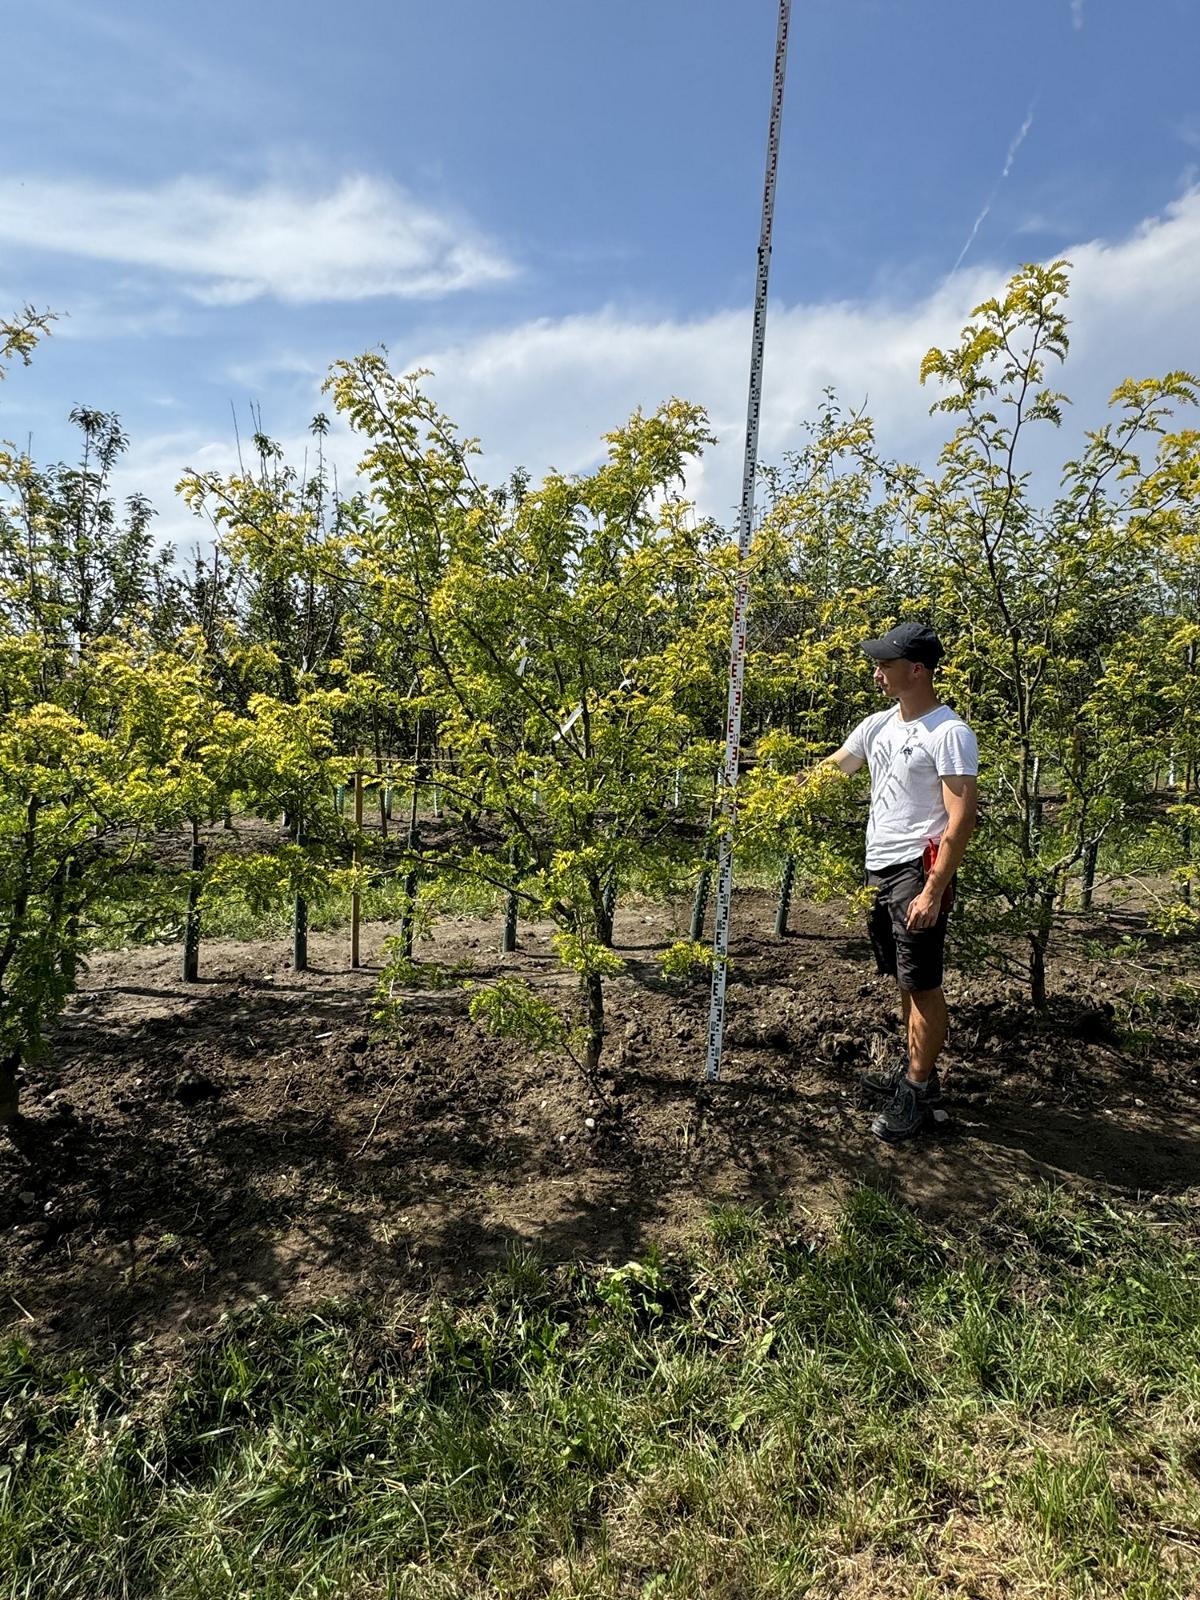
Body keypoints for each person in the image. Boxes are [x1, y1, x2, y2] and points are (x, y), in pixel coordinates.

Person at [822, 621, 978, 1141]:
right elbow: (833, 769)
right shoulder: (877, 725)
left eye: (886, 665)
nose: (877, 673)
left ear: (917, 669)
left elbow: (961, 819)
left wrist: (933, 889)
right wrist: (771, 794)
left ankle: (915, 1091)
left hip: (917, 870)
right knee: (903, 978)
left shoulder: (949, 732)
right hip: (879, 870)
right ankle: (917, 1076)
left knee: (923, 982)